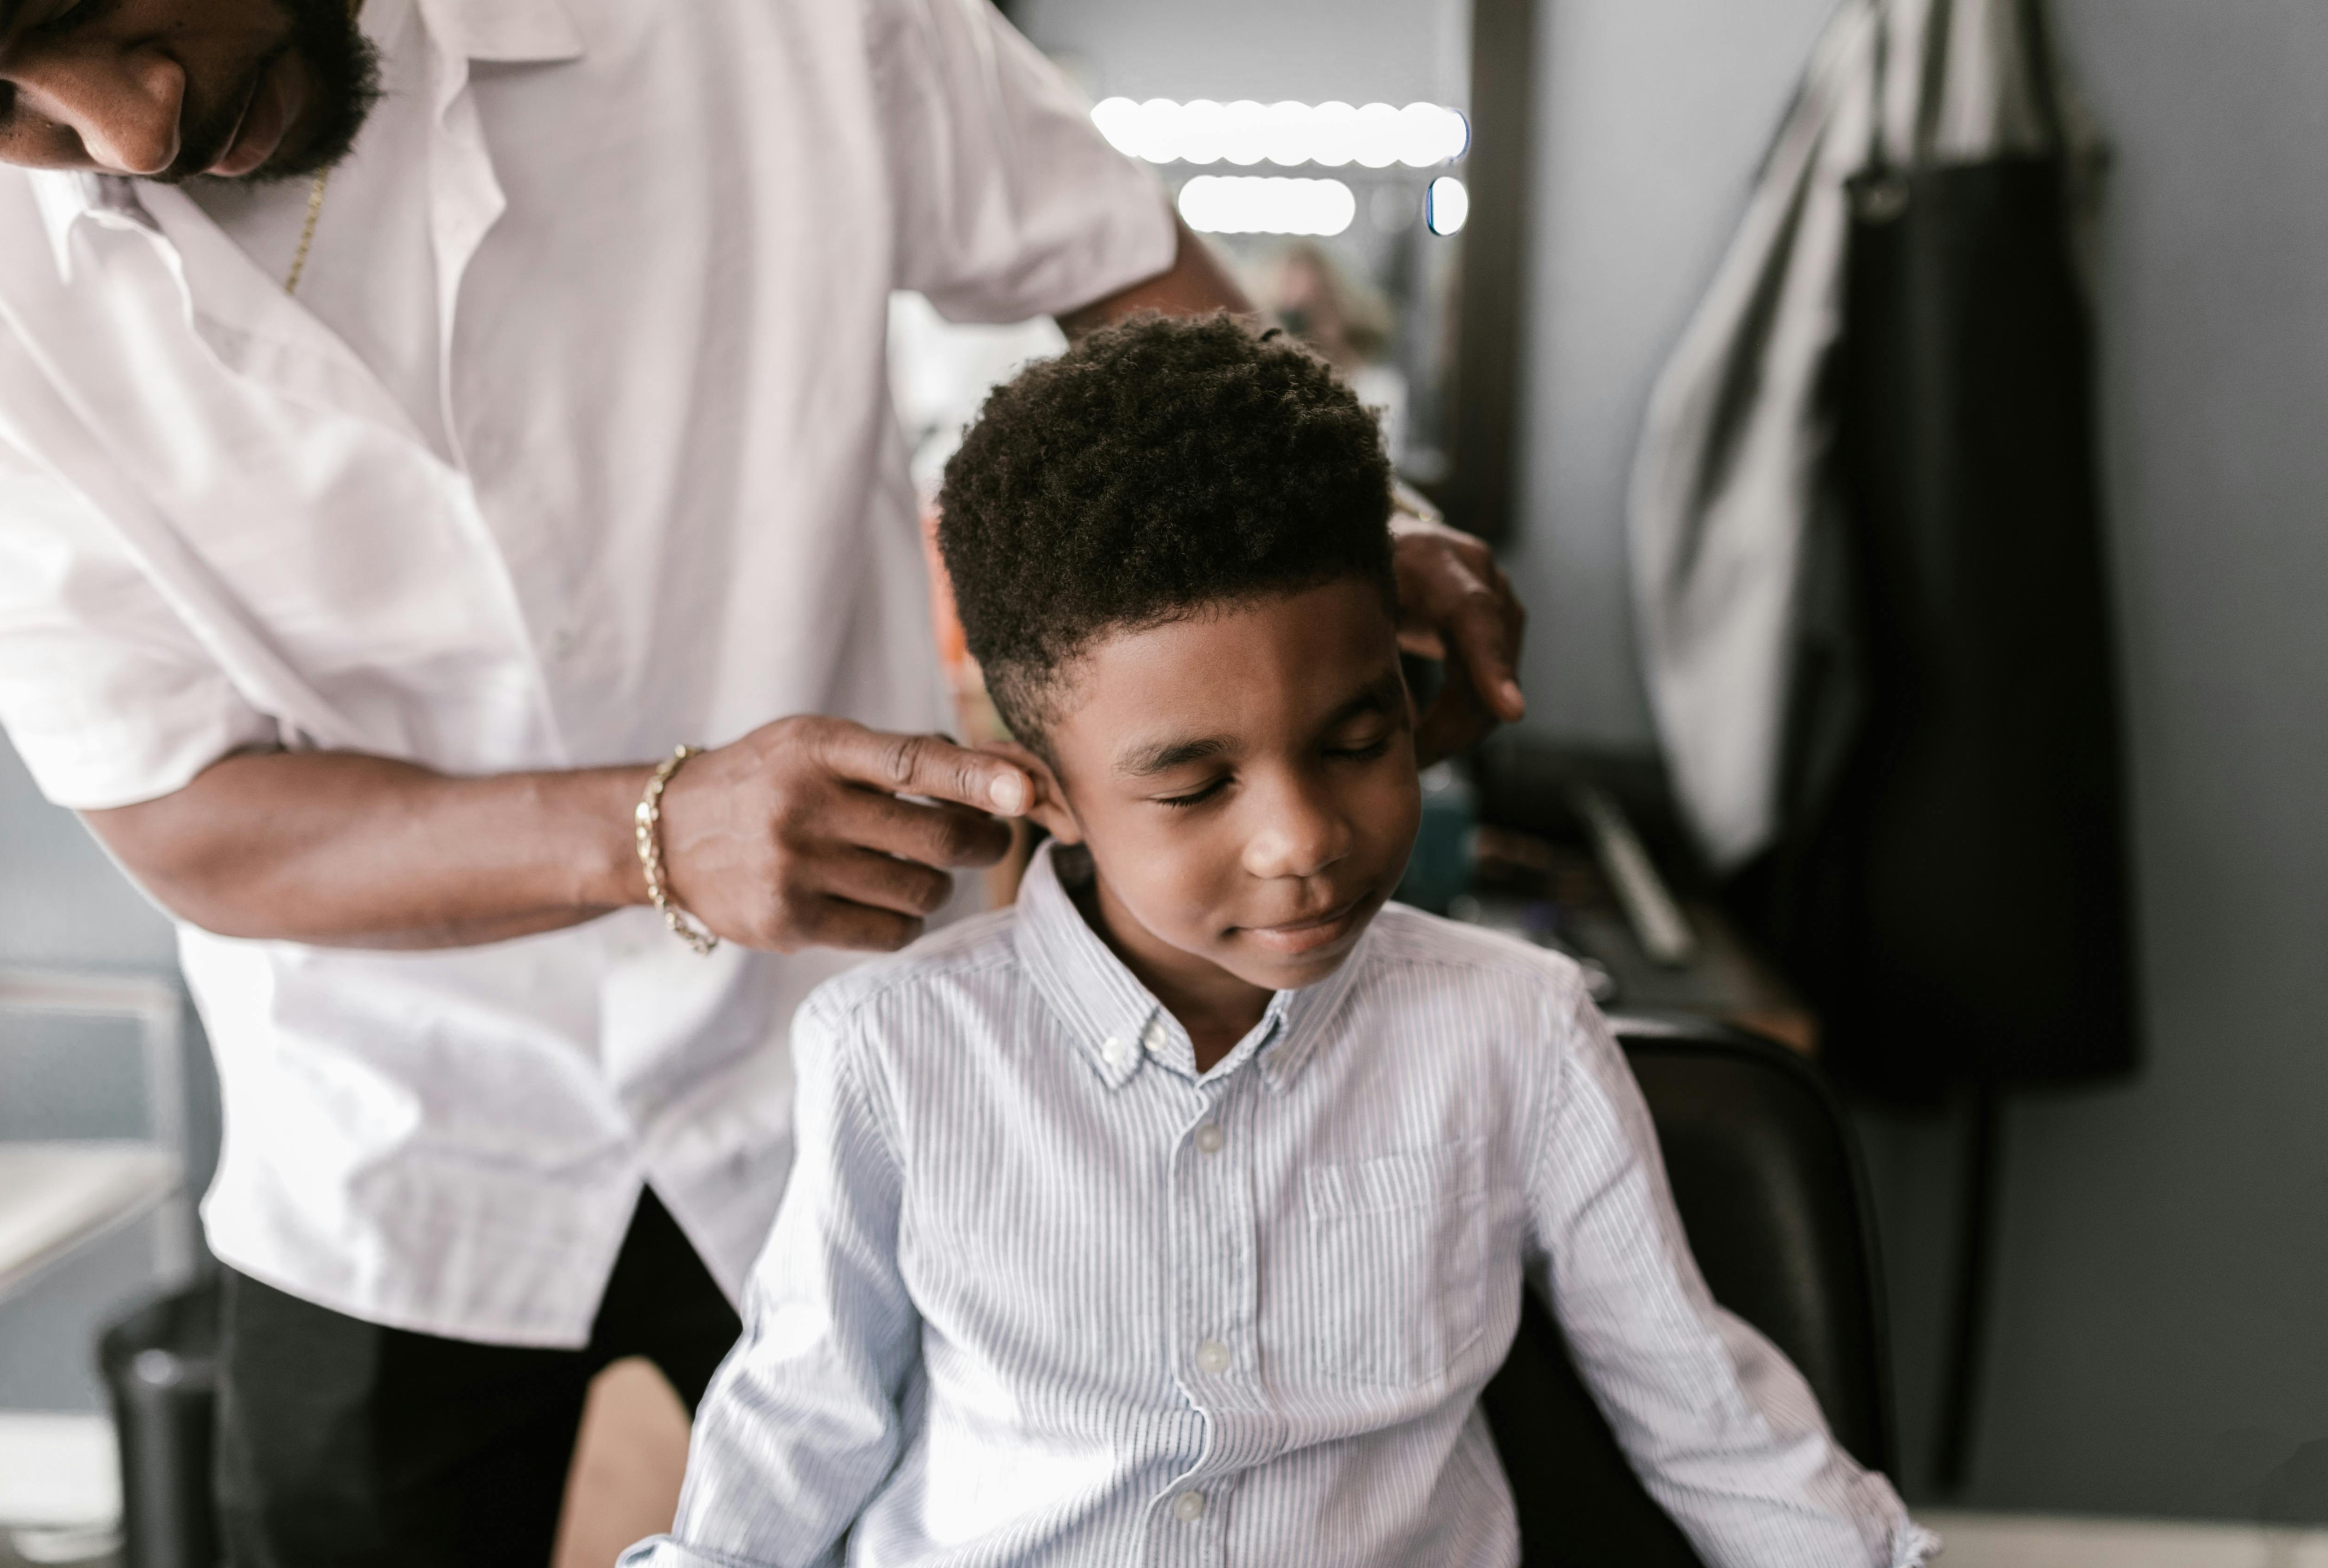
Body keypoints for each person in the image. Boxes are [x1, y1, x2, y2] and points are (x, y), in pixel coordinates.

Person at [0, 0, 1528, 1561]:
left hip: (876, 1093)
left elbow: (1114, 264)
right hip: (390, 1132)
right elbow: (188, 821)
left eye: (91, 5)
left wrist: (1355, 534)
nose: (127, 127)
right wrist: (652, 831)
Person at [628, 315, 1932, 1568]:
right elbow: (801, 1426)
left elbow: (1710, 1422)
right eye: (1196, 789)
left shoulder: (1518, 1031)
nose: (1302, 837)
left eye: (1359, 742)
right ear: (1049, 789)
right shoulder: (895, 1050)